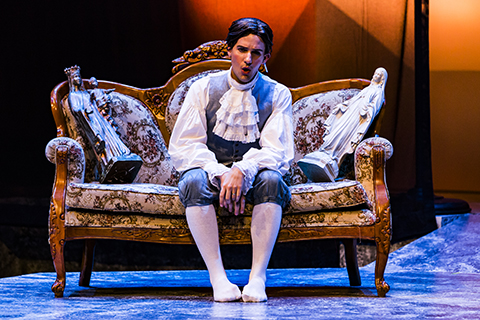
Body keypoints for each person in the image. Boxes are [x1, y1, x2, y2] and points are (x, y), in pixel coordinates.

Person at [168, 18, 294, 302]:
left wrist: (243, 169)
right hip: (212, 171)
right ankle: (218, 278)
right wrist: (221, 173)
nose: (248, 59)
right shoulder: (203, 88)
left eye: (256, 53)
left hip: (254, 174)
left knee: (273, 179)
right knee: (192, 180)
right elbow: (186, 145)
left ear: (266, 57)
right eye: (241, 49)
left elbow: (277, 151)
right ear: (229, 51)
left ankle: (257, 278)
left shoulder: (277, 94)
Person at [298, 67, 388, 182]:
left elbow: (374, 107)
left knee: (343, 138)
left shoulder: (378, 91)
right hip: (349, 114)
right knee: (335, 133)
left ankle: (333, 159)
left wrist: (365, 110)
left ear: (382, 79)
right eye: (375, 74)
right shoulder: (367, 89)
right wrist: (344, 106)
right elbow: (354, 101)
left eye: (379, 75)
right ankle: (324, 153)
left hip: (357, 119)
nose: (376, 76)